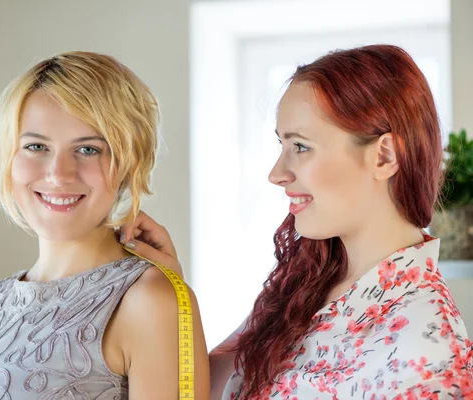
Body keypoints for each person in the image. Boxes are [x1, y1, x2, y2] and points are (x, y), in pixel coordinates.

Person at [119, 45, 473, 399]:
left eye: (301, 147)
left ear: (384, 156)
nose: (276, 174)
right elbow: (205, 392)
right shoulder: (306, 282)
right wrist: (177, 292)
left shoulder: (431, 356)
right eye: (281, 145)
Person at [0, 51, 209, 400]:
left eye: (88, 149)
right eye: (35, 146)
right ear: (8, 158)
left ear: (129, 161)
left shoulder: (149, 302)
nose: (59, 174)